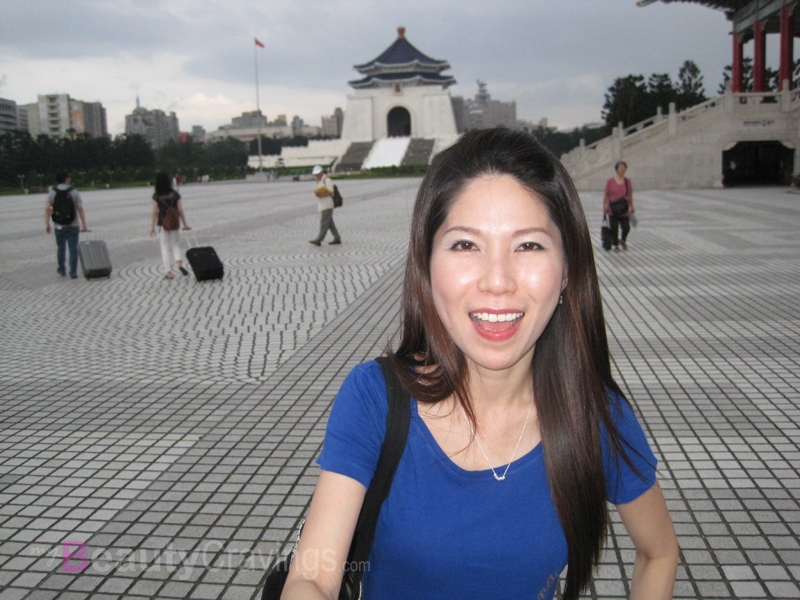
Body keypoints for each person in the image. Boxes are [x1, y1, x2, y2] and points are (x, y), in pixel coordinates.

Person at [281, 129, 678, 600]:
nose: (497, 282)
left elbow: (660, 552)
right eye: (466, 245)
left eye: (528, 245)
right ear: (426, 262)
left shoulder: (592, 412)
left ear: (569, 267)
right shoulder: (374, 399)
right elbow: (312, 576)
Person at [45, 171, 89, 279]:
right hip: (73, 224)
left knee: (61, 248)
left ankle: (62, 269)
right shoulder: (74, 192)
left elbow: (47, 208)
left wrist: (47, 224)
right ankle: (73, 272)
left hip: (59, 225)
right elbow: (80, 208)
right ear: (65, 179)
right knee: (73, 248)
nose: (69, 179)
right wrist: (84, 224)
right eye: (68, 178)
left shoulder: (52, 192)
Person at [149, 172, 191, 279]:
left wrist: (152, 227)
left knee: (165, 247)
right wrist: (185, 224)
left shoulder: (156, 195)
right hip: (174, 222)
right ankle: (179, 263)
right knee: (176, 244)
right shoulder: (175, 194)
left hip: (163, 223)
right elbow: (180, 210)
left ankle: (169, 272)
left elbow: (155, 212)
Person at [603, 161, 635, 252]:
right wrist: (604, 206)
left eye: (623, 167)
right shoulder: (610, 181)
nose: (622, 169)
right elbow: (606, 195)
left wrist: (631, 206)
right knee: (614, 228)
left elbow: (629, 195)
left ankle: (623, 240)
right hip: (612, 208)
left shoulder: (627, 181)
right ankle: (616, 245)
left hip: (624, 208)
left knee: (626, 227)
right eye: (620, 167)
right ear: (616, 169)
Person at [309, 165, 341, 246]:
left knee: (324, 222)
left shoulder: (327, 180)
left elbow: (331, 191)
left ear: (321, 172)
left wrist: (321, 193)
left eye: (317, 174)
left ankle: (319, 239)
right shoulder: (319, 181)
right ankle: (337, 238)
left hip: (327, 204)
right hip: (322, 204)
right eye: (315, 174)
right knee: (329, 223)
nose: (316, 175)